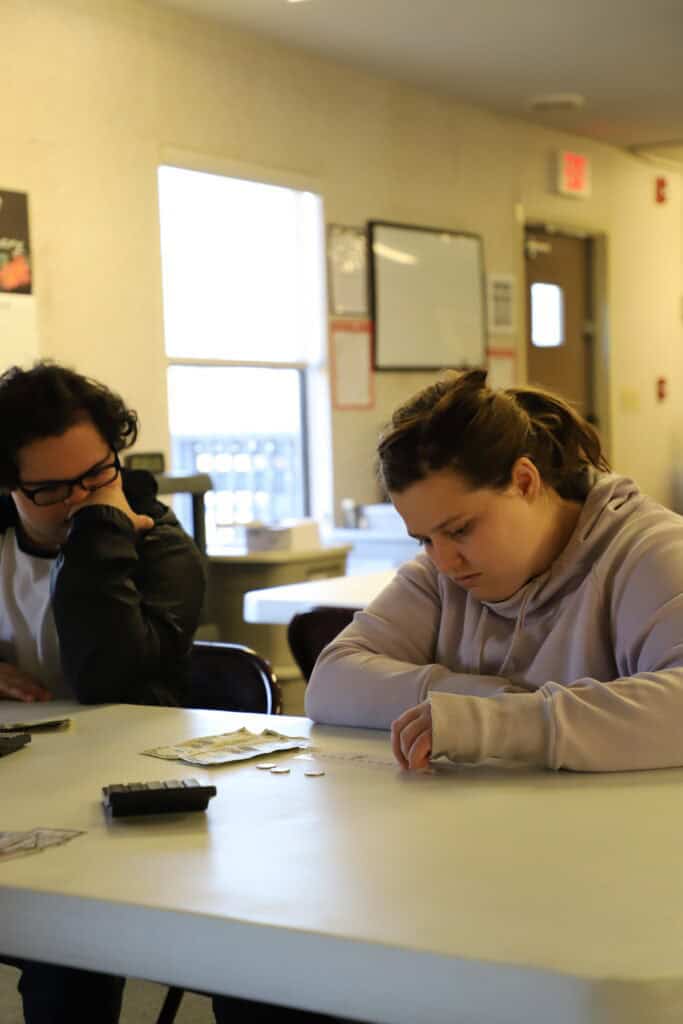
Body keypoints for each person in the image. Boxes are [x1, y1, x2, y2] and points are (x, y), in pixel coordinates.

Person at [306, 368, 683, 775]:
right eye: (424, 539)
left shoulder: (650, 552)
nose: (445, 561)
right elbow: (330, 682)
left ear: (524, 482)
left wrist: (489, 724)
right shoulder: (441, 575)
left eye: (461, 529)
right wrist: (477, 701)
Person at [0, 361, 205, 1023]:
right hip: (14, 787)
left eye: (99, 474)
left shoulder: (160, 546)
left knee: (67, 943)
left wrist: (99, 533)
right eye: (55, 489)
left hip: (114, 801)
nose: (84, 497)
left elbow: (105, 678)